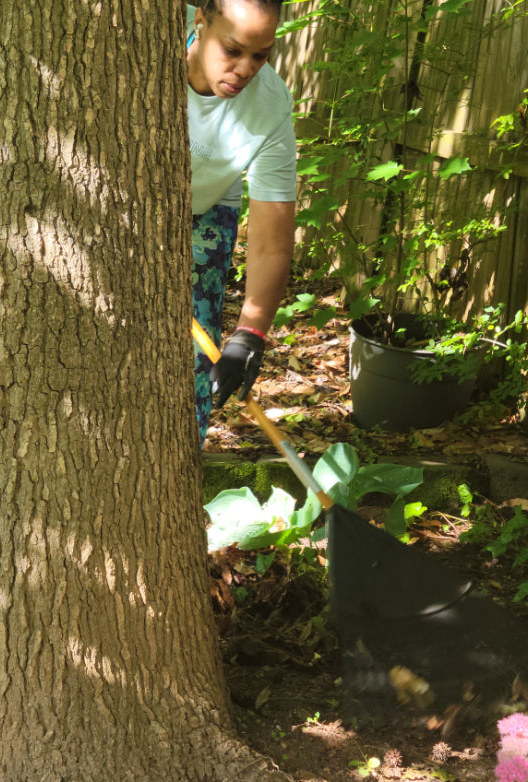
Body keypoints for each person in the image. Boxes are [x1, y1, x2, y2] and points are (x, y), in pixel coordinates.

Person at [186, 0, 297, 447]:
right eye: (233, 50)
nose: (246, 68)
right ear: (199, 21)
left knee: (194, 367)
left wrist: (249, 335)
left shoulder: (268, 109)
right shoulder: (137, 46)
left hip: (205, 210)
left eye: (261, 54)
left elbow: (271, 241)